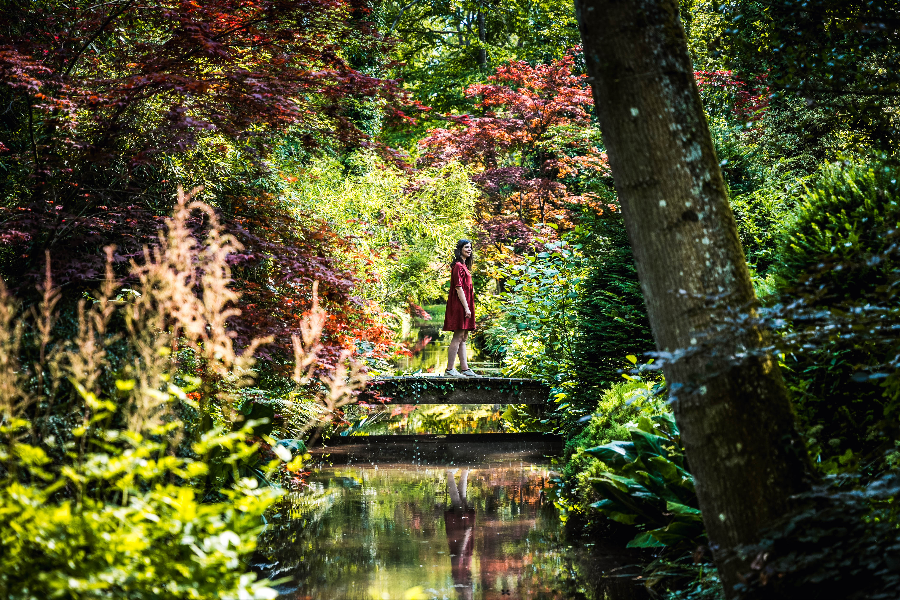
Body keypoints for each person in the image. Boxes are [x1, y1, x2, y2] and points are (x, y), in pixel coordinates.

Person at [442, 240, 481, 377]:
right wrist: (466, 308)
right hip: (460, 305)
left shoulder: (464, 266)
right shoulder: (458, 266)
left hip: (466, 305)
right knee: (458, 336)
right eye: (466, 247)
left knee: (463, 337)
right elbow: (459, 288)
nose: (469, 249)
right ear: (460, 249)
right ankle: (450, 369)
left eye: (470, 247)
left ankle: (465, 369)